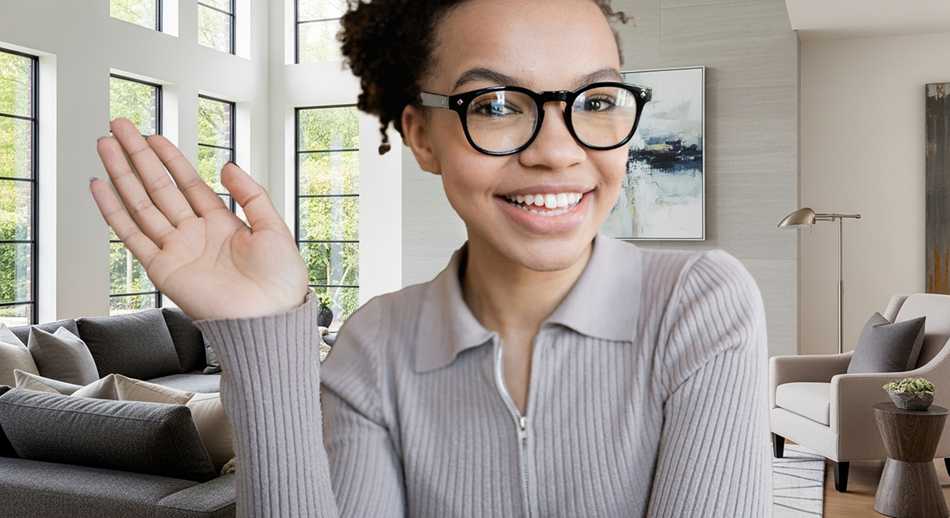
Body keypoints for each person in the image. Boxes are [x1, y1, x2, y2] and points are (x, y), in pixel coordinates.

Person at [90, 0, 773, 516]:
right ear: (420, 136)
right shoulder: (374, 346)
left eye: (594, 101)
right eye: (497, 105)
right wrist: (262, 329)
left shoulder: (701, 302)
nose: (559, 151)